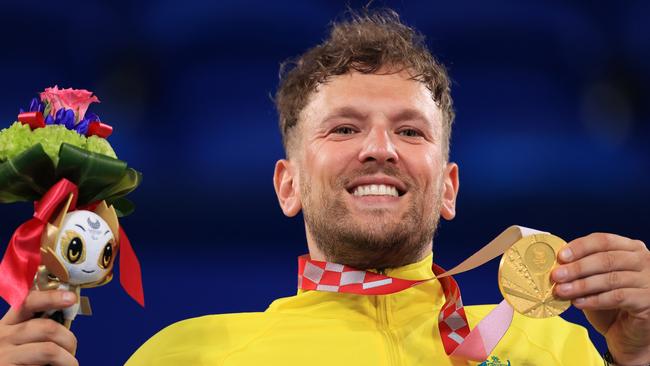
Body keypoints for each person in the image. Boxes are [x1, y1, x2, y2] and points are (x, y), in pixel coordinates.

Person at [1, 9, 649, 366]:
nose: (379, 147)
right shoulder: (186, 356)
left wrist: (638, 353)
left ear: (448, 188)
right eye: (344, 128)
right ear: (289, 185)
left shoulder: (550, 345)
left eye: (411, 131)